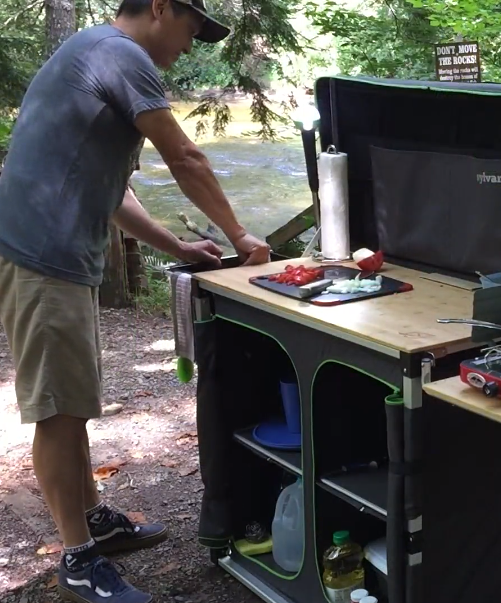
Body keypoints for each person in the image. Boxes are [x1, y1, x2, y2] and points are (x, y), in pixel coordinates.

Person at [0, 1, 271, 602]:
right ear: (158, 8)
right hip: (41, 255)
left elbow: (114, 192)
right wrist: (239, 236)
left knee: (71, 398)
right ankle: (77, 559)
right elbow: (186, 158)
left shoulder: (97, 54)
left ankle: (92, 517)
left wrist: (175, 243)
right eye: (192, 26)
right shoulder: (120, 54)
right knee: (56, 410)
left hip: (52, 256)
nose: (192, 42)